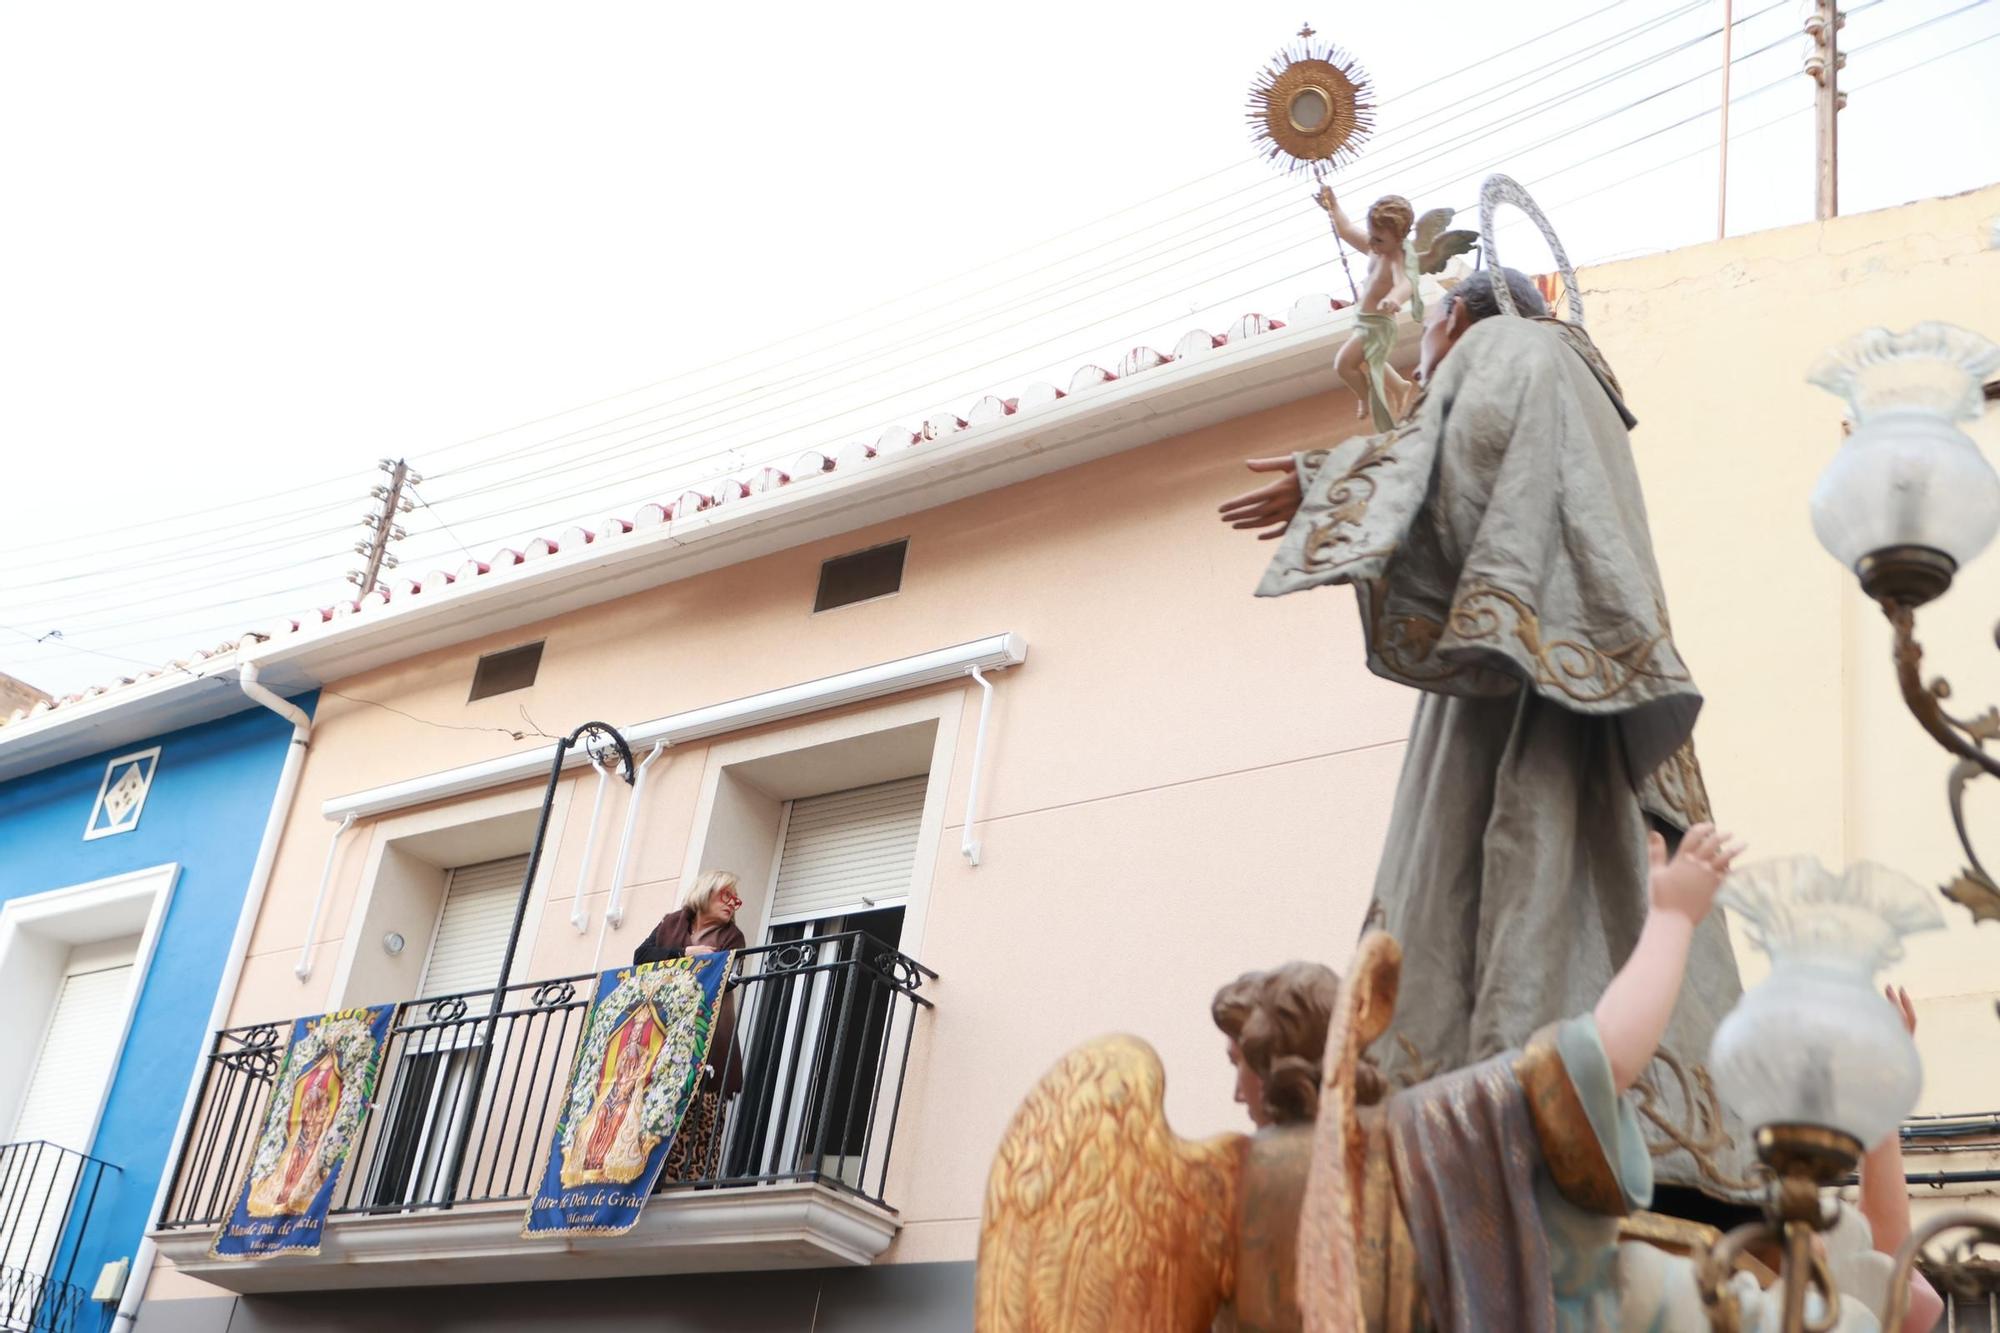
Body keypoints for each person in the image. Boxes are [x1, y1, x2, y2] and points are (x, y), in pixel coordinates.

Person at [1218, 266, 1747, 1200]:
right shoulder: (1585, 386)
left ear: (1456, 318)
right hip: (1576, 674)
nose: (1426, 368)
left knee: (1502, 883)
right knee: (1597, 884)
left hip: (1524, 684)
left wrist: (1325, 482)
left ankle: (1493, 1102)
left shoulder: (1509, 347)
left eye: (1428, 338)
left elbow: (1463, 460)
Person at [636, 869, 747, 1183]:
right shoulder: (672, 923)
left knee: (700, 1117)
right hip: (660, 1036)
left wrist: (679, 966)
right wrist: (685, 954)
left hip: (707, 1040)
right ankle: (646, 1179)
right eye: (726, 895)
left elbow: (719, 980)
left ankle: (686, 1182)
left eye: (735, 900)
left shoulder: (732, 937)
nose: (733, 904)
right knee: (653, 1113)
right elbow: (641, 957)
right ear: (705, 893)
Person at [1321, 189, 1416, 430]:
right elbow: (1346, 230)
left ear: (1399, 238)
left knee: (1343, 364)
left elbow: (1406, 283)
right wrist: (1334, 206)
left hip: (1378, 324)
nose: (1372, 243)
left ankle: (1366, 398)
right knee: (1369, 360)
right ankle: (1398, 386)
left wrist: (1395, 298)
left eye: (1379, 239)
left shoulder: (1396, 259)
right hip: (1365, 321)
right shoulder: (1376, 249)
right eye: (1372, 236)